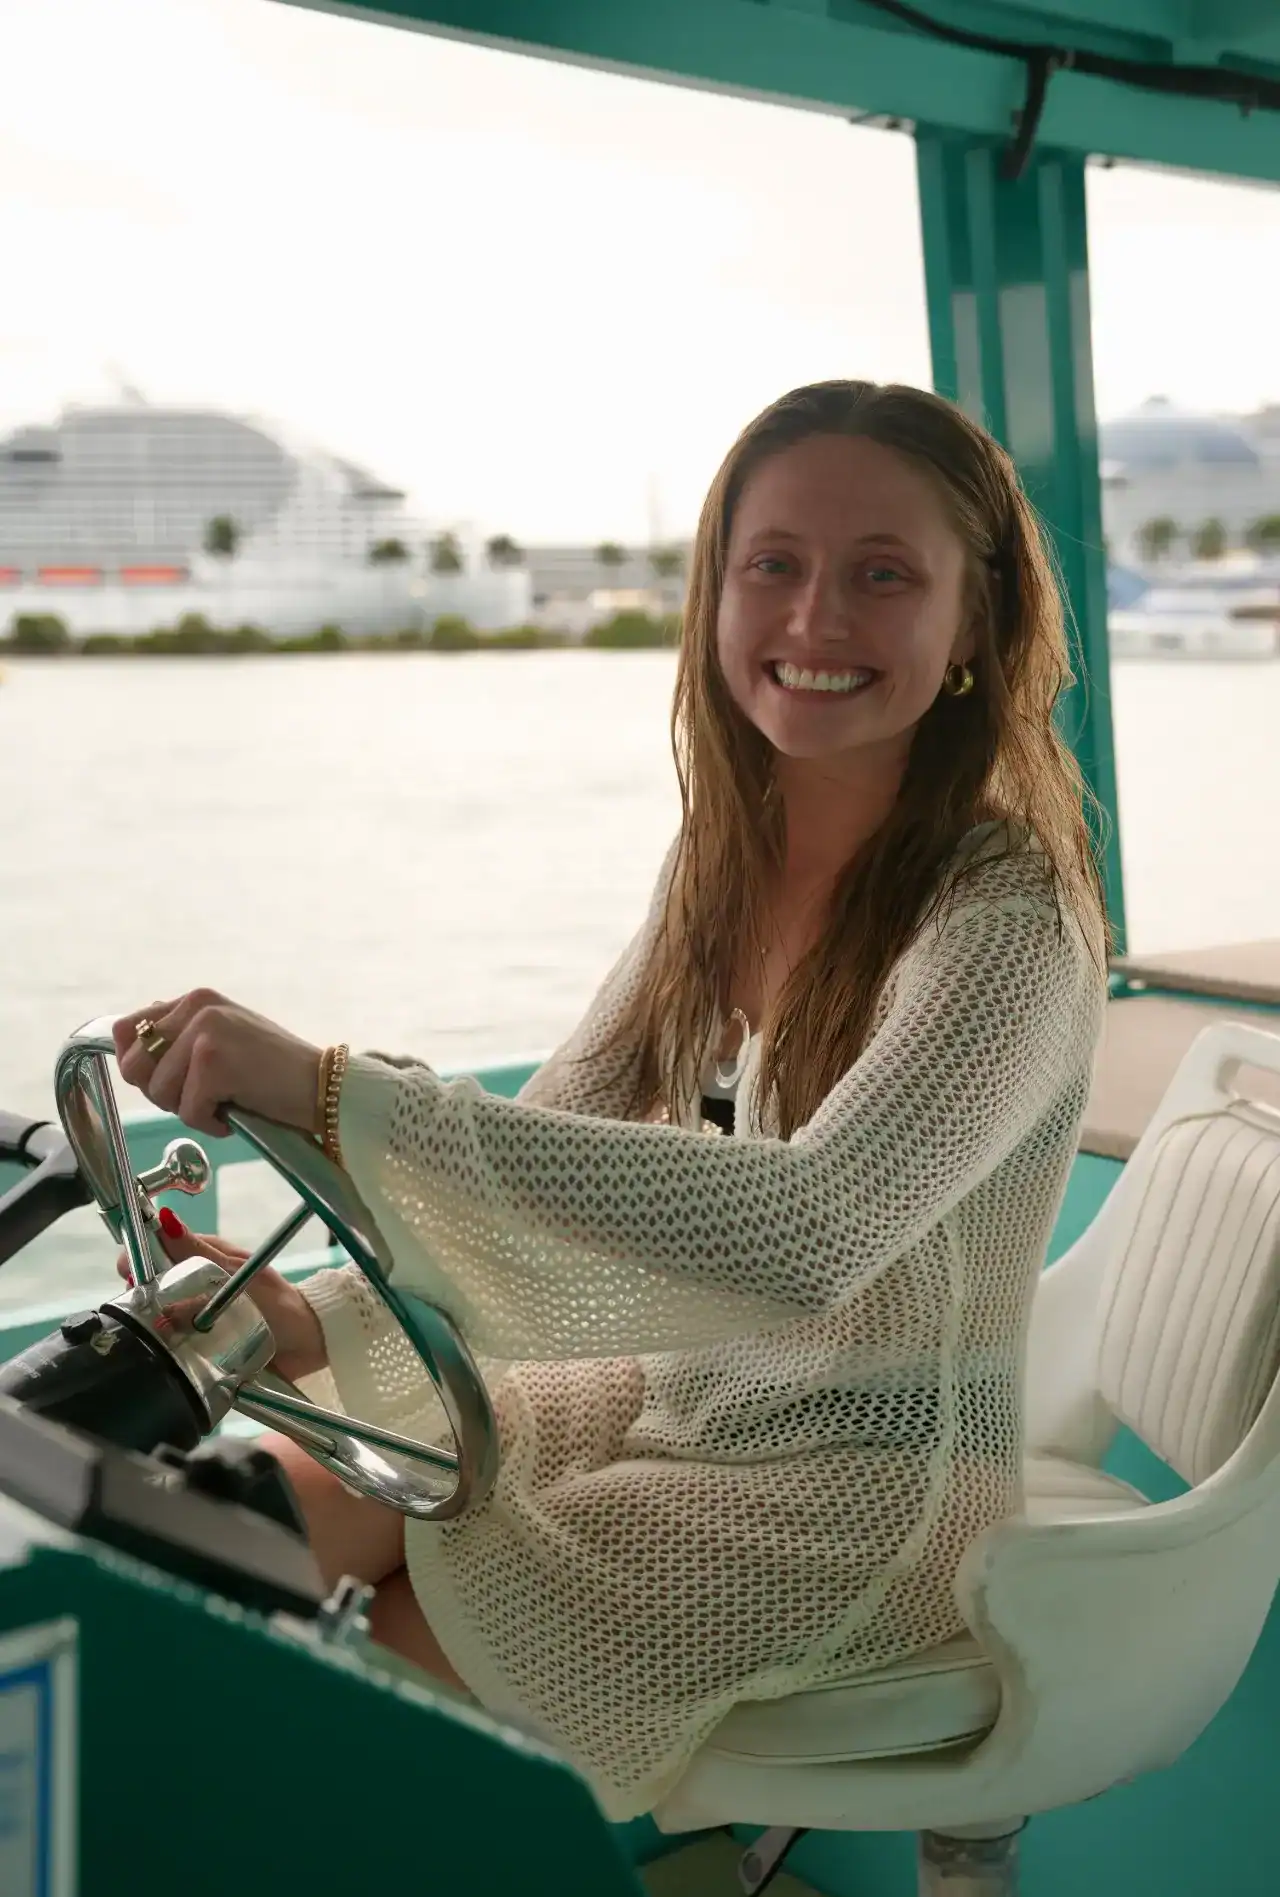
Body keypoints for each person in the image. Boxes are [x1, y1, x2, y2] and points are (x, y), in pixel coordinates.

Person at [114, 379, 1108, 1824]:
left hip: (861, 1499)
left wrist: (329, 1090)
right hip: (666, 1399)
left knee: (327, 1707)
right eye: (775, 565)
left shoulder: (1008, 919)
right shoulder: (722, 861)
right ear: (716, 596)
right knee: (220, 1532)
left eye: (883, 575)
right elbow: (570, 1124)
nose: (815, 617)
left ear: (974, 625)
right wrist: (309, 1316)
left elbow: (807, 1230)